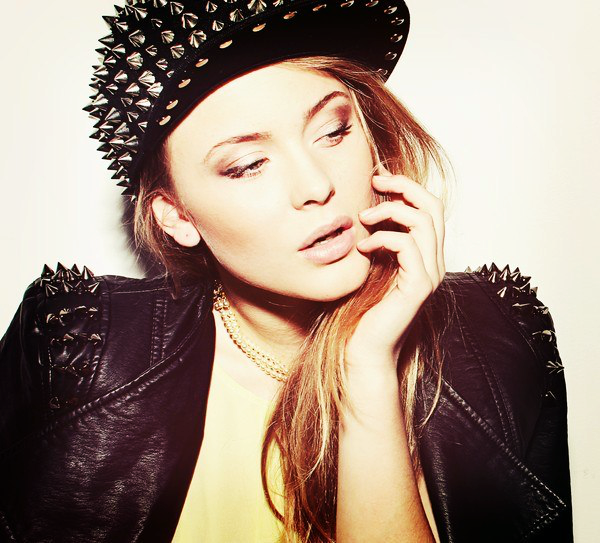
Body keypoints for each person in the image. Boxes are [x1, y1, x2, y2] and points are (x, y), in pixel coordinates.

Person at [0, 1, 572, 542]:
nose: (316, 186)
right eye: (248, 165)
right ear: (177, 217)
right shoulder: (76, 351)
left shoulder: (503, 339)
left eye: (333, 131)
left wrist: (366, 368)